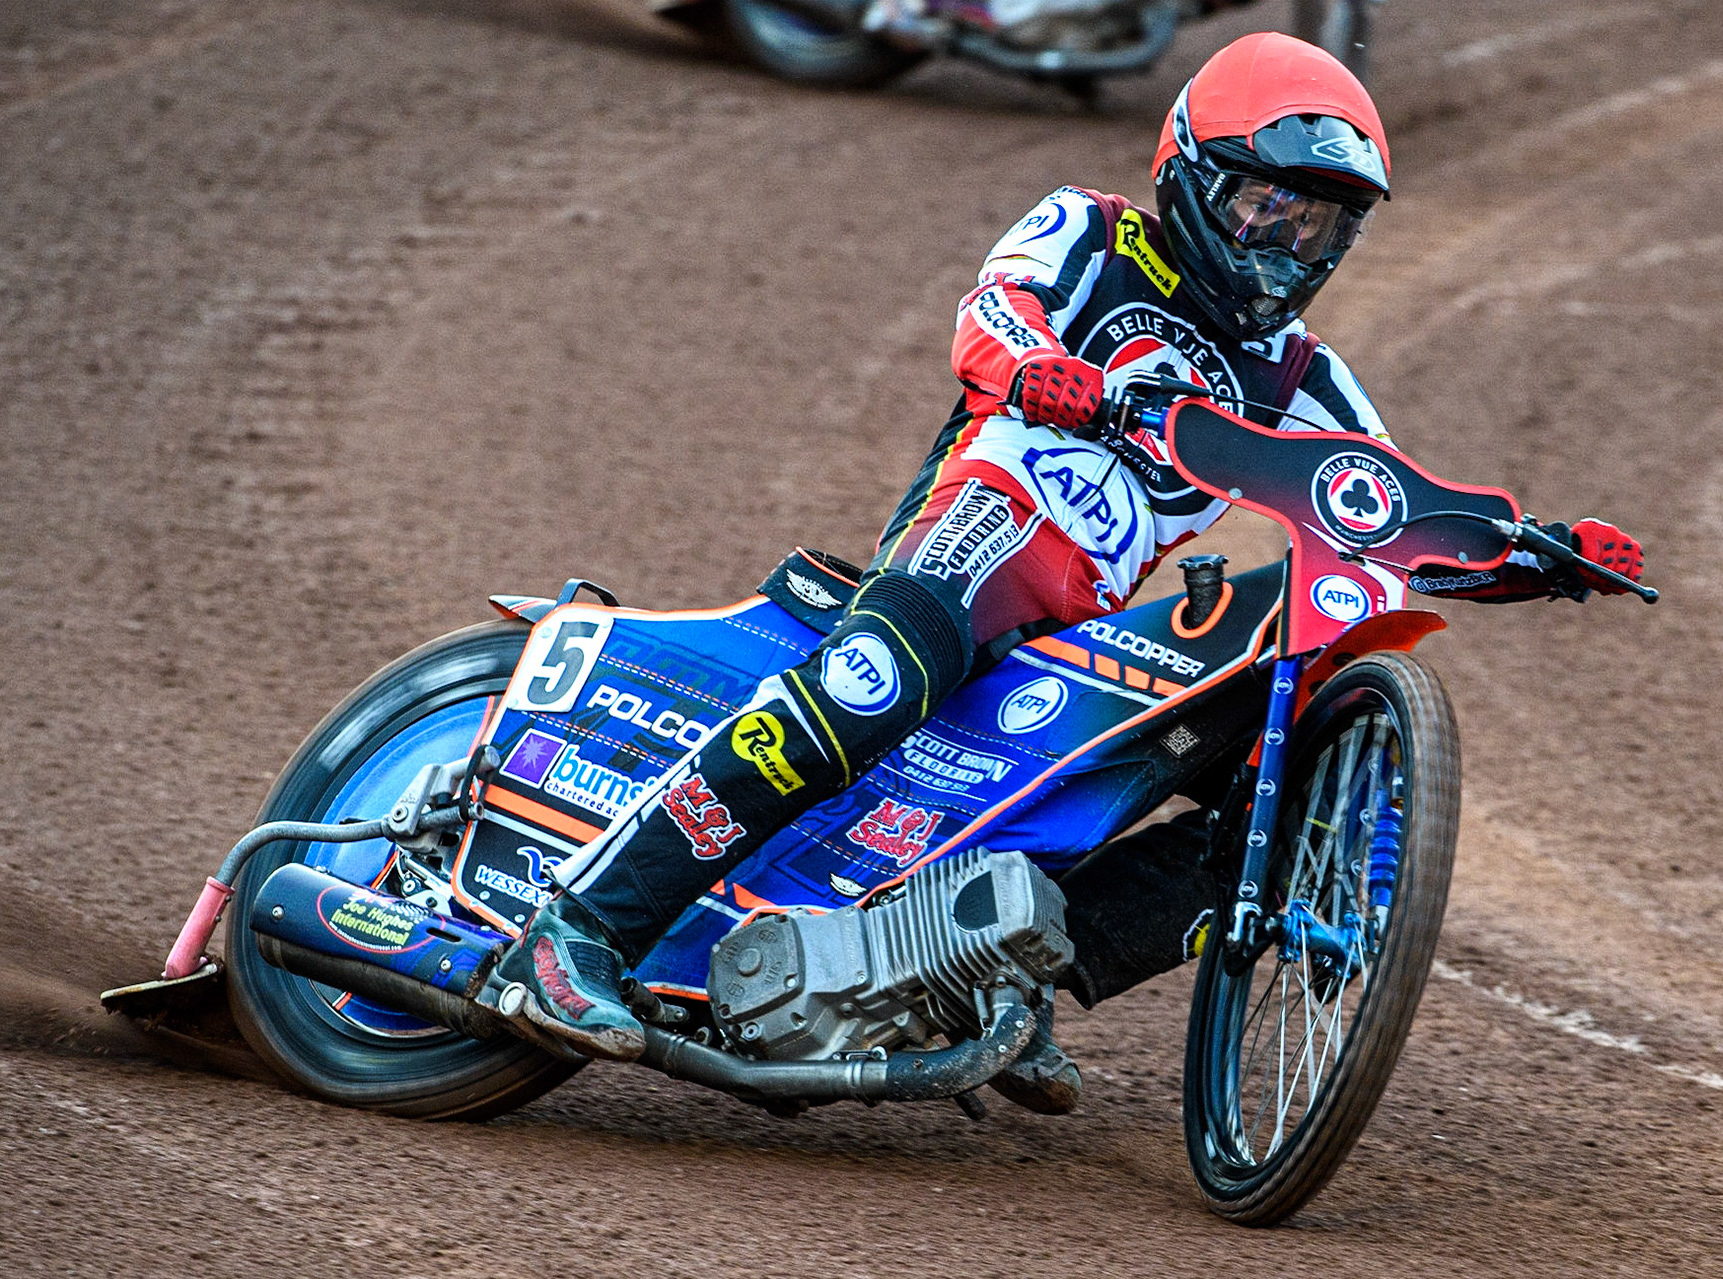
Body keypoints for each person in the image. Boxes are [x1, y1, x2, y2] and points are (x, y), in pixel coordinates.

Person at [490, 32, 1647, 1110]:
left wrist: (1537, 555)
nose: (1286, 248)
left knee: (1258, 800)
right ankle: (577, 931)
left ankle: (1009, 977)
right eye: (1267, 208)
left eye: (1319, 230)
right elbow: (988, 314)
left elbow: (1385, 509)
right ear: (1191, 173)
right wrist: (1046, 369)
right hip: (973, 541)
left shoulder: (1302, 376)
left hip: (1077, 625)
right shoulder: (1090, 233)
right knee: (874, 686)